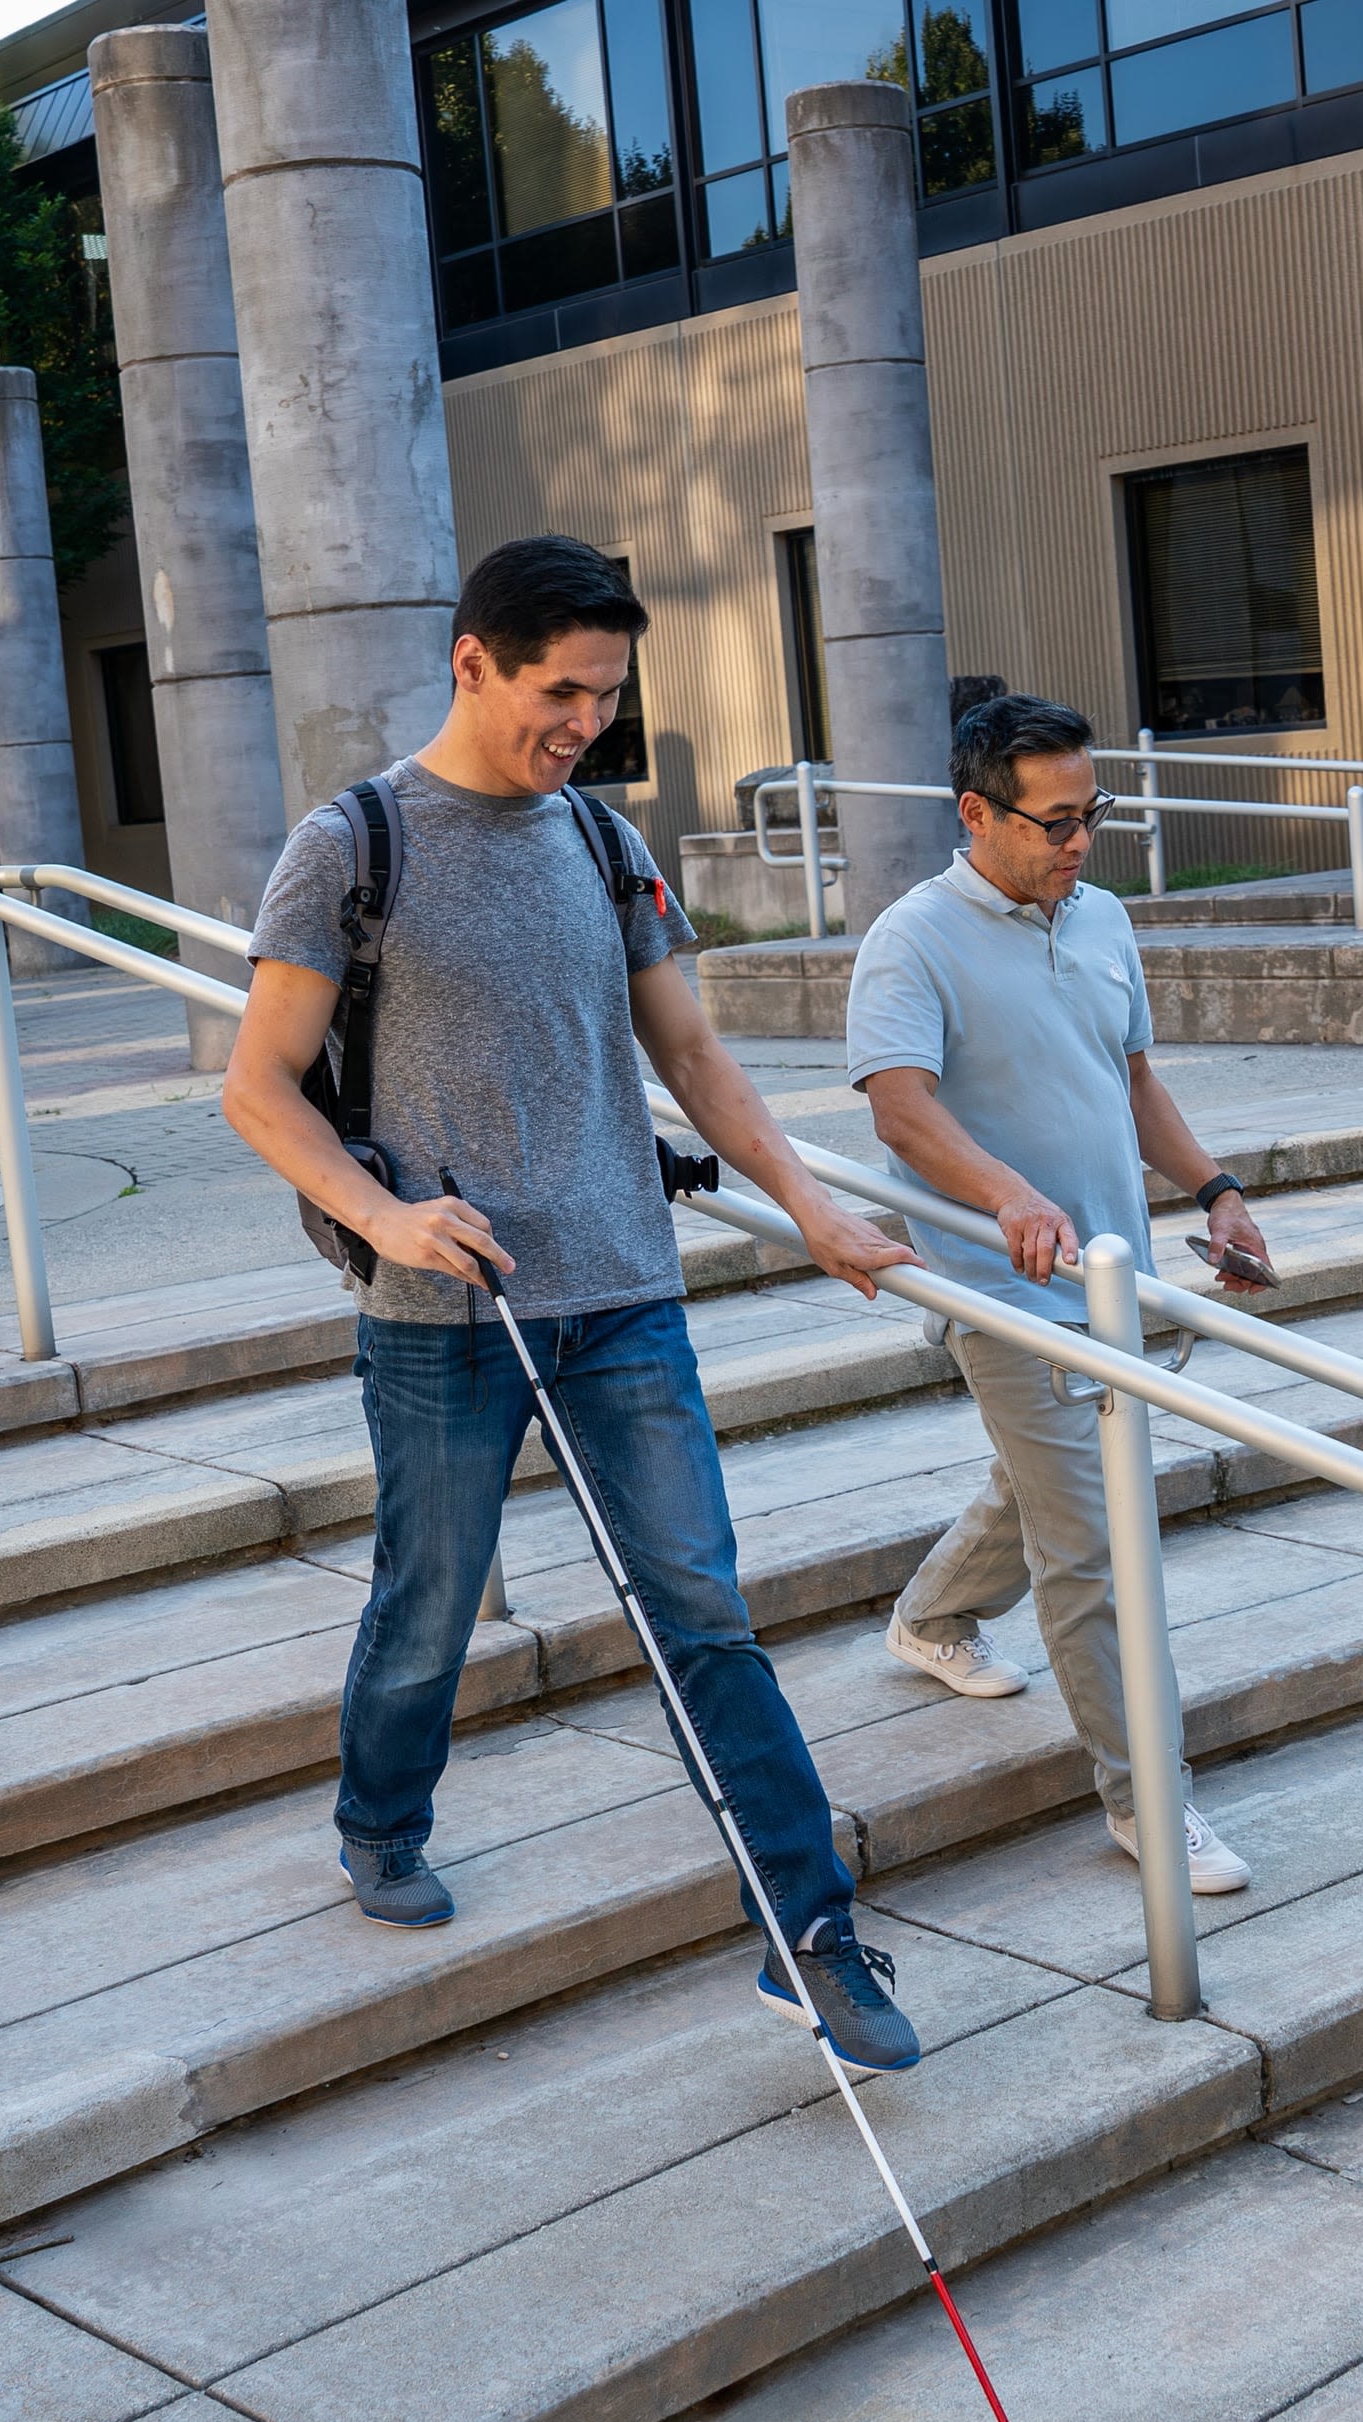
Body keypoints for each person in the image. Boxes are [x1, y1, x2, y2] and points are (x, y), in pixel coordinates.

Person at [222, 534, 929, 2072]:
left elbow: (696, 1059)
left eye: (605, 697)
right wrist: (385, 1218)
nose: (584, 725)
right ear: (469, 662)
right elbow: (259, 1088)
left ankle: (808, 1932)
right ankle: (380, 1818)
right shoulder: (353, 845)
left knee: (703, 1611)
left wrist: (814, 1208)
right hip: (444, 1316)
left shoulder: (604, 846)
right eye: (559, 692)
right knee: (429, 1599)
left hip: (624, 1298)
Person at [842, 691, 1275, 1895]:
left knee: (1038, 1487)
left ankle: (928, 1617)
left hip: (1113, 1281)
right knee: (1092, 1543)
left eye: (1094, 815)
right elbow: (898, 1105)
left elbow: (1130, 1079)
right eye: (1053, 822)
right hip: (1001, 1287)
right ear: (976, 812)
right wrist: (1006, 1194)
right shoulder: (913, 936)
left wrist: (1215, 1188)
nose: (1078, 842)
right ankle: (1152, 1801)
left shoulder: (1102, 919)